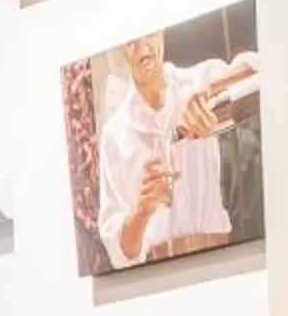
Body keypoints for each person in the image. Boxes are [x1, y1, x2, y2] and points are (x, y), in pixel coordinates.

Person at [95, 29, 260, 268]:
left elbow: (262, 70)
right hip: (157, 272)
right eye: (132, 42)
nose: (144, 49)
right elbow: (120, 253)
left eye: (149, 35)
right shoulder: (115, 135)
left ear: (161, 33)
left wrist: (209, 92)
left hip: (222, 254)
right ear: (122, 48)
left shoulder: (198, 80)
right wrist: (142, 210)